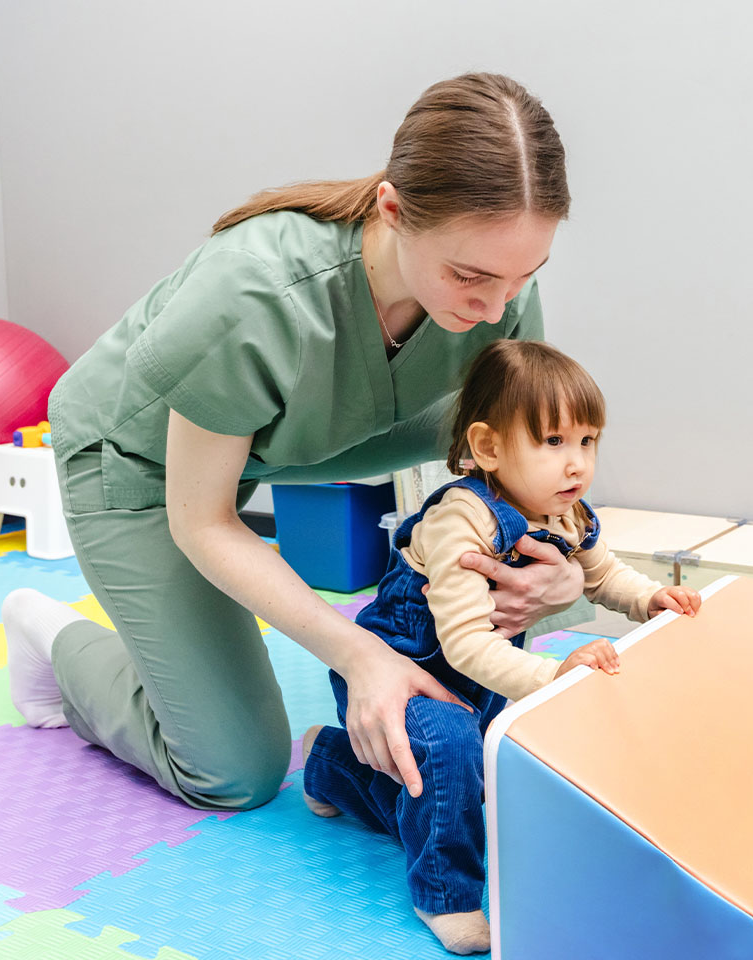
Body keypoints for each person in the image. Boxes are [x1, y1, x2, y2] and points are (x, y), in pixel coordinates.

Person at [2, 72, 587, 822]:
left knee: (497, 437)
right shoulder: (255, 294)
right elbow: (204, 522)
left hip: (288, 438)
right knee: (232, 771)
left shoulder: (497, 292)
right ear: (393, 210)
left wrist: (559, 570)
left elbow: (528, 459)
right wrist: (360, 654)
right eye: (469, 276)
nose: (495, 308)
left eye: (523, 277)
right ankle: (54, 640)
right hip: (139, 463)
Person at [301, 339, 702, 954]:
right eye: (553, 442)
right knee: (450, 751)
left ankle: (333, 764)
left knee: (470, 785)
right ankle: (445, 894)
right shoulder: (462, 518)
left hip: (486, 671)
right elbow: (462, 644)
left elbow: (603, 575)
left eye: (587, 441)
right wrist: (552, 674)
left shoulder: (565, 511)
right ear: (488, 447)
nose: (577, 465)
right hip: (404, 667)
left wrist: (650, 599)